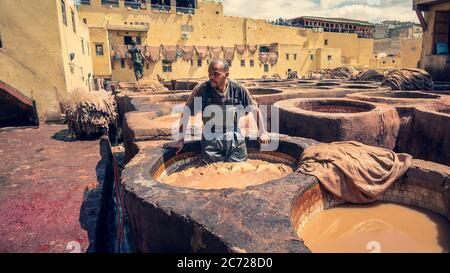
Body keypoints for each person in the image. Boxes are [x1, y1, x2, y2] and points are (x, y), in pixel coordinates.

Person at [163, 59, 271, 164]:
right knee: (213, 169)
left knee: (239, 168)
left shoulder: (238, 89)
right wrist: (180, 140)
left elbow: (255, 109)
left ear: (226, 74)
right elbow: (186, 112)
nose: (211, 77)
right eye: (209, 74)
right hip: (211, 137)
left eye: (215, 74)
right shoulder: (202, 89)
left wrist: (262, 132)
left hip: (234, 135)